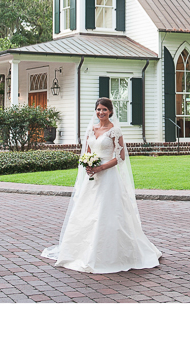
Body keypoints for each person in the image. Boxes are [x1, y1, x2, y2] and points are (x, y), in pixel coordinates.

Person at [42, 97, 161, 273]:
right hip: (92, 178)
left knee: (108, 213)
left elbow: (120, 157)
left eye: (104, 109)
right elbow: (87, 152)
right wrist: (88, 166)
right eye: (98, 109)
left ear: (110, 112)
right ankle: (81, 251)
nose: (101, 112)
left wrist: (101, 167)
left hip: (109, 177)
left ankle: (112, 254)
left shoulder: (115, 131)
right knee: (86, 211)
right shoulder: (91, 129)